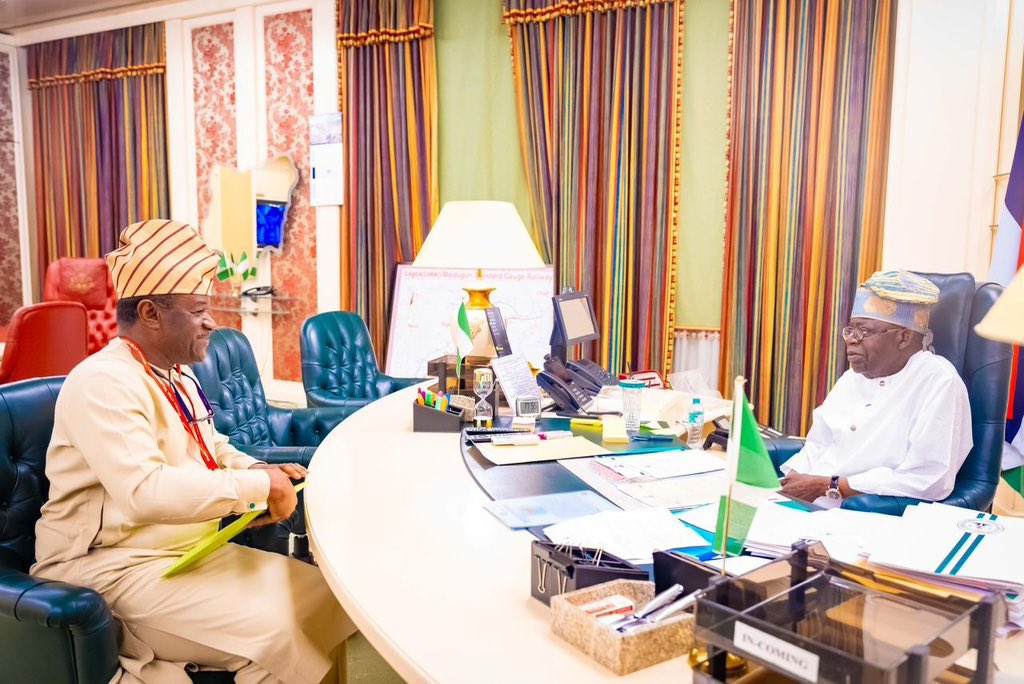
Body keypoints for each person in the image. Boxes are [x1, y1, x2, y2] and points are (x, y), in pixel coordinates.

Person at [33, 219, 355, 684]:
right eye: (199, 310)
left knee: (326, 595)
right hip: (107, 568)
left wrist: (258, 468)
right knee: (278, 631)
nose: (211, 322)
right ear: (150, 312)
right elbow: (145, 491)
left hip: (184, 550)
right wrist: (257, 485)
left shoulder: (175, 373)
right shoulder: (102, 382)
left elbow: (213, 446)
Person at [779, 270, 972, 506]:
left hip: (865, 514)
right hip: (806, 506)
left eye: (864, 331)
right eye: (850, 330)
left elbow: (927, 479)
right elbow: (818, 443)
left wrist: (830, 486)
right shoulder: (852, 377)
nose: (851, 339)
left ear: (904, 337)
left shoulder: (939, 382)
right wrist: (793, 480)